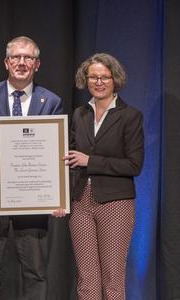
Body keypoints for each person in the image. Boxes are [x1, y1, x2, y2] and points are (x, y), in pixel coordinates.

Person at [0, 36, 64, 300]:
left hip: (34, 199)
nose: (21, 62)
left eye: (28, 58)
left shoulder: (51, 101)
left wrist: (58, 193)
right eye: (16, 57)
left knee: (35, 272)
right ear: (6, 62)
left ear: (37, 64)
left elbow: (58, 151)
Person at [63, 53, 144, 299]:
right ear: (85, 80)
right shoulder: (79, 114)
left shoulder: (130, 116)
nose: (99, 82)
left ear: (114, 79)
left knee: (112, 277)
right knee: (87, 279)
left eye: (105, 77)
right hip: (80, 203)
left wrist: (91, 162)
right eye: (93, 77)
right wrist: (58, 196)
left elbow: (134, 165)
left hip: (115, 203)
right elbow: (69, 160)